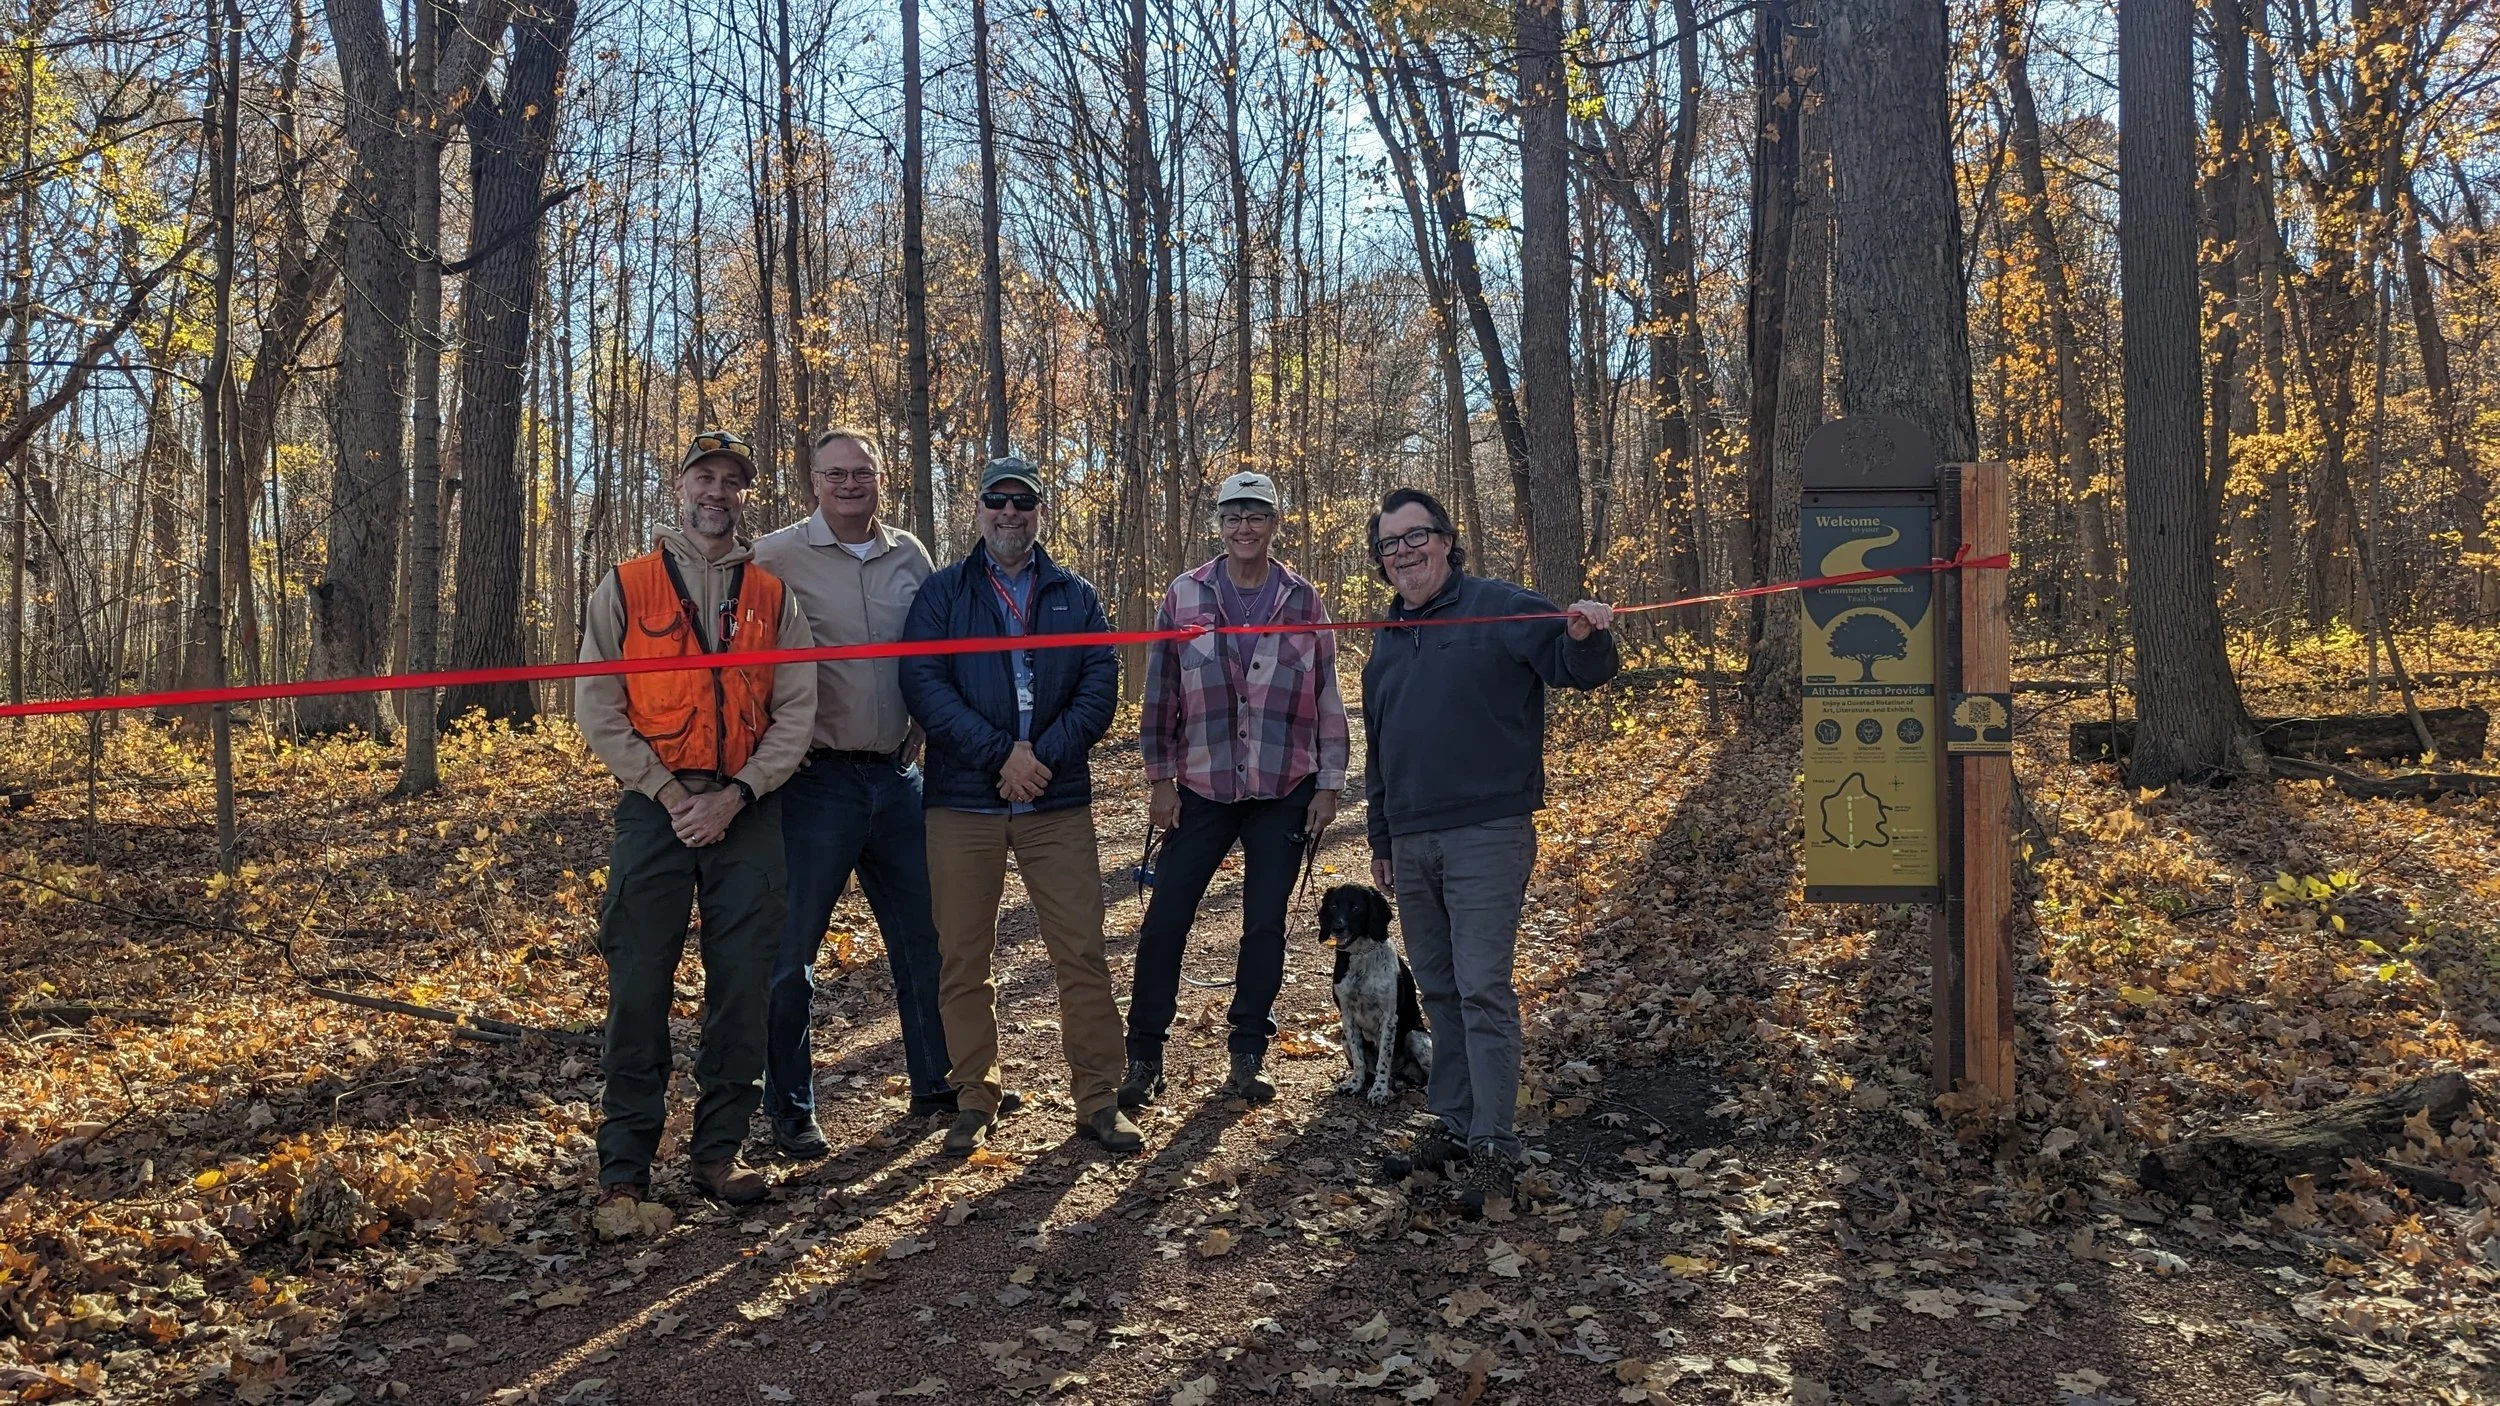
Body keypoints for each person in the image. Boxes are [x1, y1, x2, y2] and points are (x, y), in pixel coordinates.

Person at [576, 430, 817, 1207]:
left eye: (731, 481)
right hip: (656, 810)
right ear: (679, 487)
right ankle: (624, 1169)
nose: (717, 492)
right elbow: (597, 707)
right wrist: (673, 795)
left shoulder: (773, 598)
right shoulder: (627, 584)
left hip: (748, 810)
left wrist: (738, 794)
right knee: (639, 985)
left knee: (743, 986)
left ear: (744, 496)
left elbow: (797, 711)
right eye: (704, 477)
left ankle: (719, 1153)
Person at [1360, 486, 1617, 1202]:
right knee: (1438, 988)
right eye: (1390, 544)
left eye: (1416, 537)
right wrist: (1381, 834)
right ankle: (1455, 1121)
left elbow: (1577, 666)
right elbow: (1380, 753)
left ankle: (1496, 1146)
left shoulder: (1499, 607)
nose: (1404, 552)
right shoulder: (1384, 645)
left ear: (1446, 540)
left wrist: (1588, 632)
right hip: (1411, 841)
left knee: (1482, 989)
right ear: (1381, 562)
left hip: (1487, 832)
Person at [899, 456, 1143, 1157]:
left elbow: (1101, 683)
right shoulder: (944, 593)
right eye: (997, 502)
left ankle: (1098, 1098)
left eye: (1023, 503)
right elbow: (923, 682)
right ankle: (975, 1095)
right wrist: (999, 755)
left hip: (1055, 799)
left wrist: (1040, 760)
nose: (1010, 513)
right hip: (962, 803)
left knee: (1082, 952)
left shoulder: (1076, 594)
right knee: (963, 957)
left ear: (1040, 511)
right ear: (976, 509)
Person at [751, 426, 957, 1159]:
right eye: (835, 473)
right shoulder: (775, 555)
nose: (849, 484)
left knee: (925, 941)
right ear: (813, 481)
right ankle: (791, 1107)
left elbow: (930, 653)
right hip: (815, 781)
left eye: (861, 472)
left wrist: (925, 728)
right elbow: (741, 650)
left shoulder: (911, 555)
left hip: (898, 776)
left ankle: (937, 1080)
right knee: (791, 955)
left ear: (882, 479)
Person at [1121, 470, 1348, 1109]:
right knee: (1165, 920)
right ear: (1218, 524)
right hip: (1200, 783)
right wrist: (1159, 779)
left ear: (1275, 523)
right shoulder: (1186, 595)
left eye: (1256, 516)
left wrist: (1329, 784)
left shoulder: (1302, 600)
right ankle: (1144, 1055)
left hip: (1284, 785)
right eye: (1232, 517)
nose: (1244, 528)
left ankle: (1248, 1050)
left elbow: (1328, 694)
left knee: (1263, 925)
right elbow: (1159, 689)